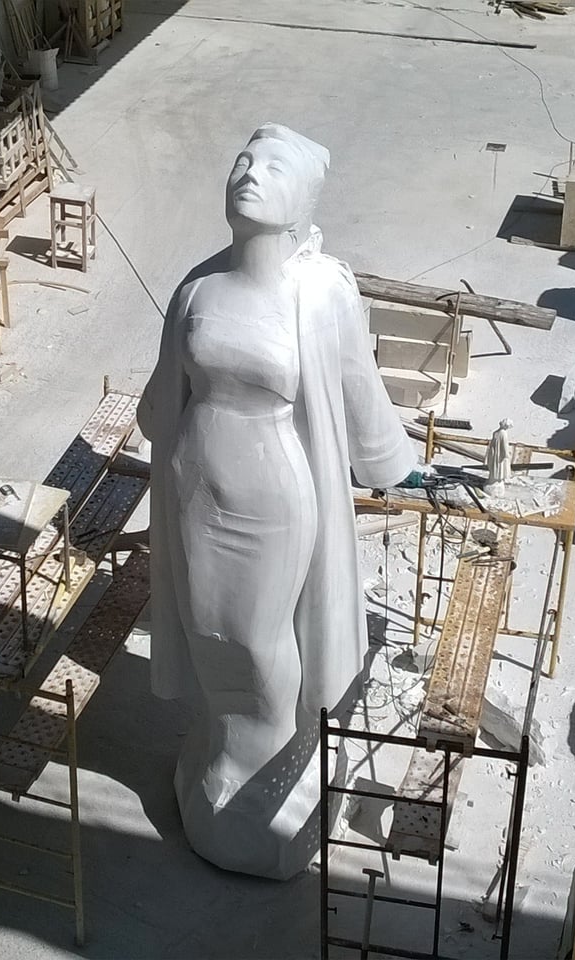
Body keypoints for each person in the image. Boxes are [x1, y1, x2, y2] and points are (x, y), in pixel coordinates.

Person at [137, 123, 417, 879]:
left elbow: (359, 394)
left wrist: (397, 463)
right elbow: (162, 400)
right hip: (196, 482)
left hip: (274, 496)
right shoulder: (196, 287)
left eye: (272, 167)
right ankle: (218, 751)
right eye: (242, 161)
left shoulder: (323, 293)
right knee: (206, 630)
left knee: (260, 641)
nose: (249, 175)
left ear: (303, 198)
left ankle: (264, 768)